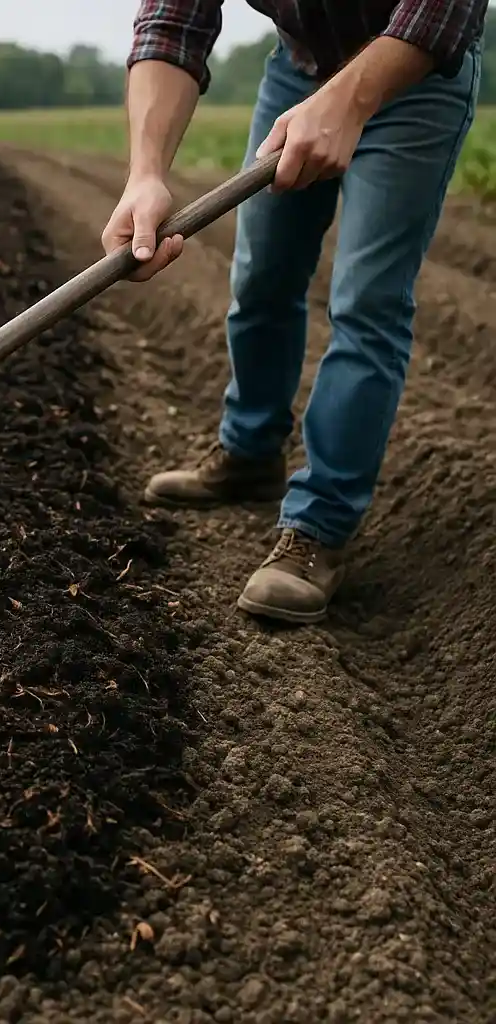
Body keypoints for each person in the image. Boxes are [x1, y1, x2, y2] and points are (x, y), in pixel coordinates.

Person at [102, 2, 485, 624]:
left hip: (416, 75)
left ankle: (318, 527)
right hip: (298, 70)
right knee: (261, 276)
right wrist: (145, 175)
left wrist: (348, 101)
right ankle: (251, 452)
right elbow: (172, 21)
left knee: (367, 300)